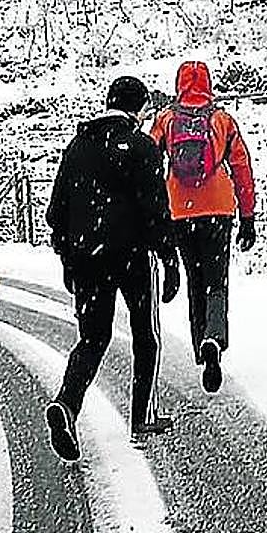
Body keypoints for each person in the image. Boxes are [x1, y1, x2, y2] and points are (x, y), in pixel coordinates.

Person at [45, 76, 181, 459]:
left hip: (88, 258)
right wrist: (169, 258)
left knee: (91, 338)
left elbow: (57, 212)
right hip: (133, 257)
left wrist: (69, 258)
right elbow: (156, 209)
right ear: (139, 109)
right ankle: (142, 417)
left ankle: (67, 405)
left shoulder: (77, 147)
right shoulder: (142, 147)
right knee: (145, 335)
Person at [149, 61, 256, 393]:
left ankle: (201, 345)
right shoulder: (222, 120)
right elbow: (241, 169)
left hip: (179, 210)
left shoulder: (166, 120)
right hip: (219, 209)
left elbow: (148, 162)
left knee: (195, 278)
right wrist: (248, 217)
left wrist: (153, 214)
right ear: (208, 84)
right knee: (216, 279)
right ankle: (215, 338)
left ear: (179, 84)